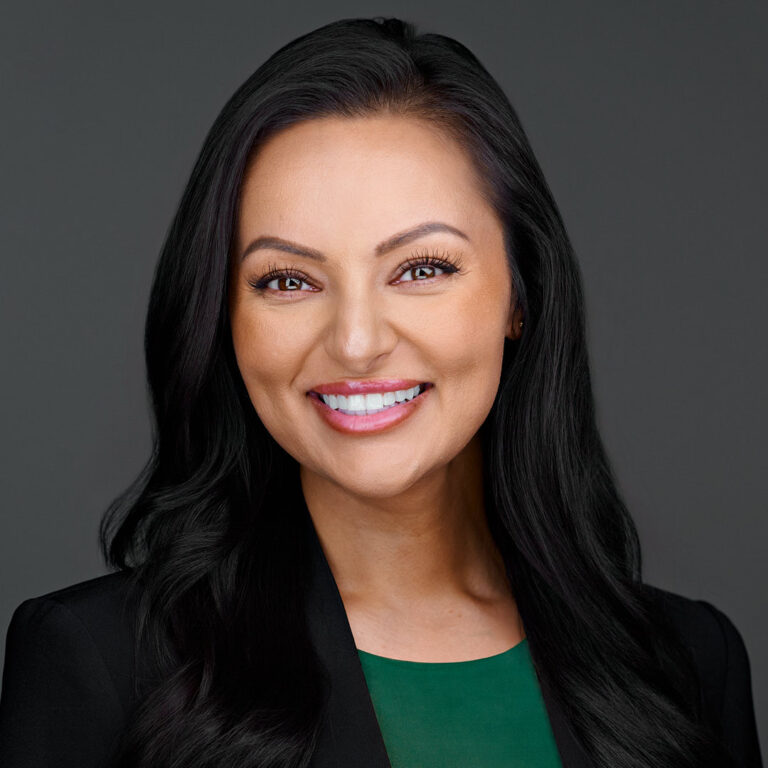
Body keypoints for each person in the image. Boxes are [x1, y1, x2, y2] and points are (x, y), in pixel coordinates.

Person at [0, 15, 762, 768]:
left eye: (422, 269)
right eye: (288, 280)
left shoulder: (688, 664)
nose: (357, 342)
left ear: (519, 299)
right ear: (222, 317)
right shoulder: (100, 665)